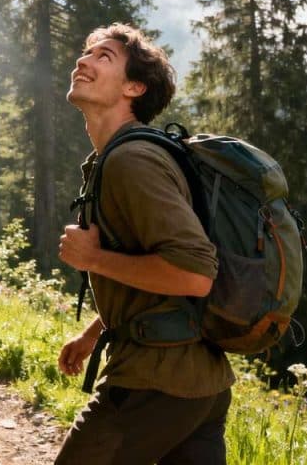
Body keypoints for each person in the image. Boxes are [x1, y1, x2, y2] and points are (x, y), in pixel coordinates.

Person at [55, 23, 234, 464]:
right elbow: (152, 265)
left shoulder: (132, 159)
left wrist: (93, 258)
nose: (84, 61)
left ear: (135, 87)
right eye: (87, 52)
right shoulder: (116, 157)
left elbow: (194, 275)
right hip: (197, 383)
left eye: (104, 57)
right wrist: (94, 331)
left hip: (156, 383)